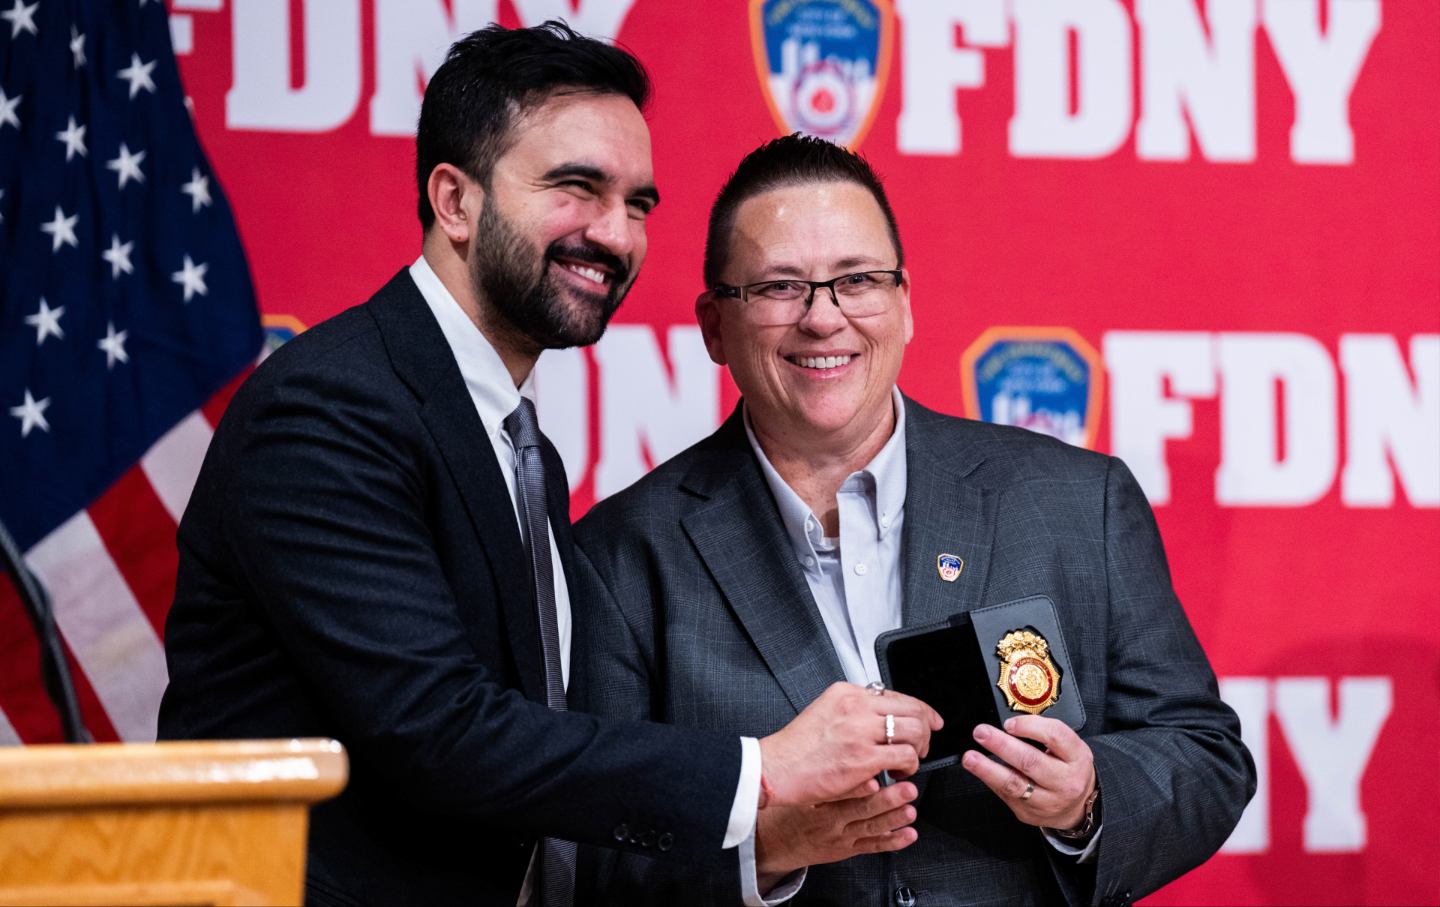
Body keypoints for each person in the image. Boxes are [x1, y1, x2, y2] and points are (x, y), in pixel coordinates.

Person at [157, 26, 941, 907]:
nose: (614, 233)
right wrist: (763, 767)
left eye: (638, 204)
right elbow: (439, 733)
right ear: (454, 200)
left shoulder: (514, 440)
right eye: (577, 188)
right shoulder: (332, 408)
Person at [572, 134, 1256, 907]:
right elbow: (590, 855)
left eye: (856, 280)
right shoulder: (623, 553)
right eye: (778, 288)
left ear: (903, 303)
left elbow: (1204, 756)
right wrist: (768, 847)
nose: (822, 319)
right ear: (714, 326)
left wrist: (1087, 799)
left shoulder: (1076, 501)